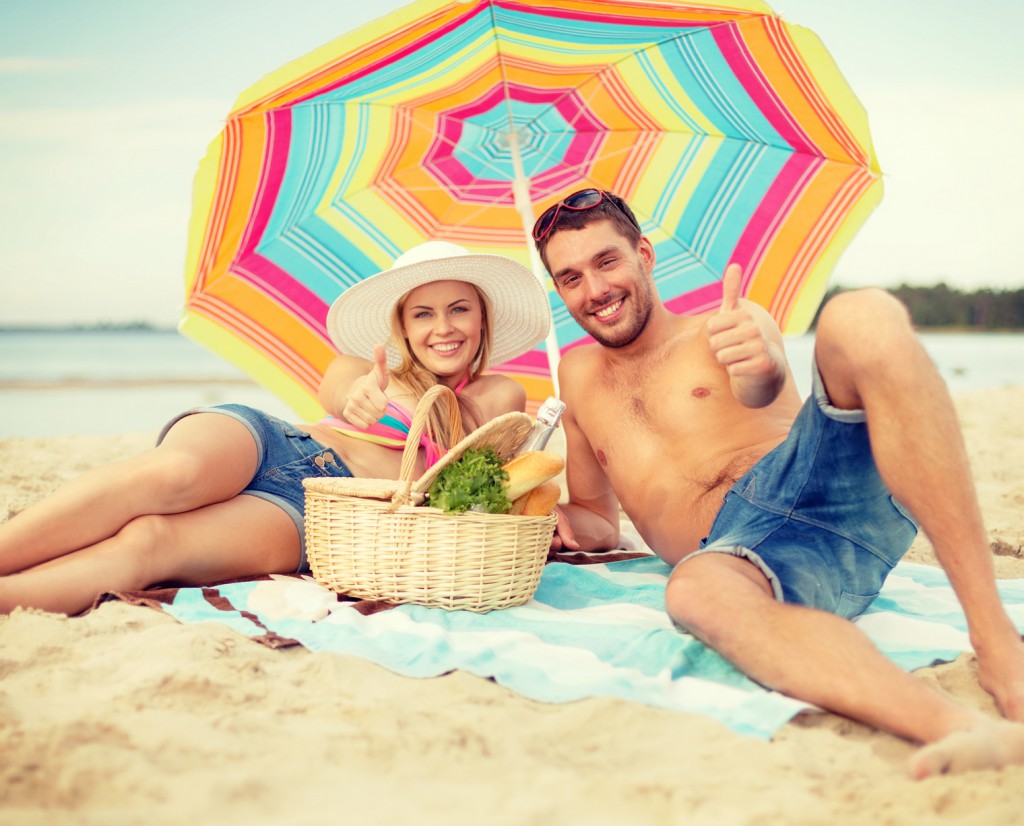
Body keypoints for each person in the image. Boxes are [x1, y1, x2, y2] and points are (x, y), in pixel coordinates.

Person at [532, 188, 1024, 778]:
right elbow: (596, 517)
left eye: (607, 262)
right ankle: (965, 731)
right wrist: (559, 525)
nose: (595, 291)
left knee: (858, 315)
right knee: (692, 593)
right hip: (753, 560)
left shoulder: (727, 325)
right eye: (570, 278)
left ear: (644, 254)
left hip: (818, 482)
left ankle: (997, 643)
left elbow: (762, 383)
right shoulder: (576, 375)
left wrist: (760, 365)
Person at [0, 241, 551, 617]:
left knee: (152, 541)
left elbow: (485, 450)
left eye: (459, 309)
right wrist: (360, 397)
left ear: (483, 319)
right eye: (423, 314)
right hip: (271, 439)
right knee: (172, 474)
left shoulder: (497, 394)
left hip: (315, 509)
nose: (444, 328)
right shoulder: (368, 369)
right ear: (403, 327)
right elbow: (338, 389)